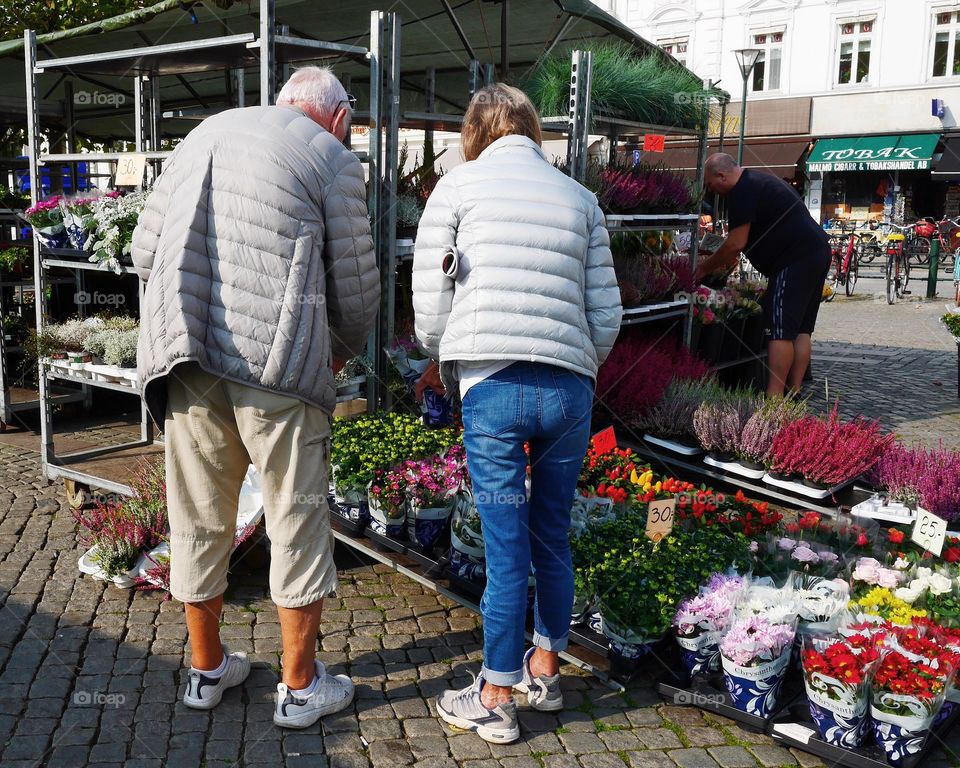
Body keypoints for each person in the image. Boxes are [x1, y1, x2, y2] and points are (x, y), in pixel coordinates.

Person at [131, 66, 380, 728]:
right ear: (335, 115)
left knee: (197, 519)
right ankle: (299, 690)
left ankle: (206, 672)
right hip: (280, 366)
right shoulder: (330, 157)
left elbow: (142, 251)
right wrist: (344, 350)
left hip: (186, 356)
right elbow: (355, 290)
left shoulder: (201, 134)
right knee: (296, 519)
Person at [412, 84, 622, 744]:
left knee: (505, 551)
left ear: (475, 131)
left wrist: (439, 352)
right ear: (534, 130)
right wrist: (579, 362)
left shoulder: (457, 188)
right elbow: (608, 314)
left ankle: (496, 696)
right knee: (552, 535)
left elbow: (428, 296)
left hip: (493, 386)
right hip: (568, 391)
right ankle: (546, 671)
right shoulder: (581, 199)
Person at [697, 153, 831, 396]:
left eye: (709, 183)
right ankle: (794, 391)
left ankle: (774, 397)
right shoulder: (758, 180)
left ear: (722, 175)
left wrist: (703, 269)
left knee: (779, 329)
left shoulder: (742, 191)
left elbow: (736, 243)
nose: (711, 190)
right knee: (800, 329)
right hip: (817, 250)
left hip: (794, 258)